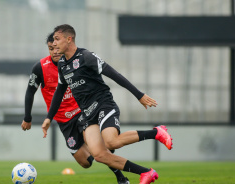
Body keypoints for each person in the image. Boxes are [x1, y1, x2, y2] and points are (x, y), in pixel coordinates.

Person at [42, 24, 173, 184]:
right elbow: (59, 92)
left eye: (57, 39)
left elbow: (115, 75)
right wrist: (49, 118)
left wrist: (139, 95)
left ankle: (157, 132)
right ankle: (146, 172)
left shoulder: (86, 56)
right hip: (88, 114)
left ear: (69, 39)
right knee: (99, 155)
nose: (54, 44)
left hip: (103, 104)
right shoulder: (62, 64)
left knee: (112, 141)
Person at [21, 33, 131, 184]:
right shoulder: (40, 68)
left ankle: (120, 176)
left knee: (95, 149)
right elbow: (30, 91)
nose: (54, 51)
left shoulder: (74, 62)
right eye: (50, 49)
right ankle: (103, 152)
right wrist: (27, 117)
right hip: (63, 121)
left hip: (81, 112)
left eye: (56, 47)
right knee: (85, 162)